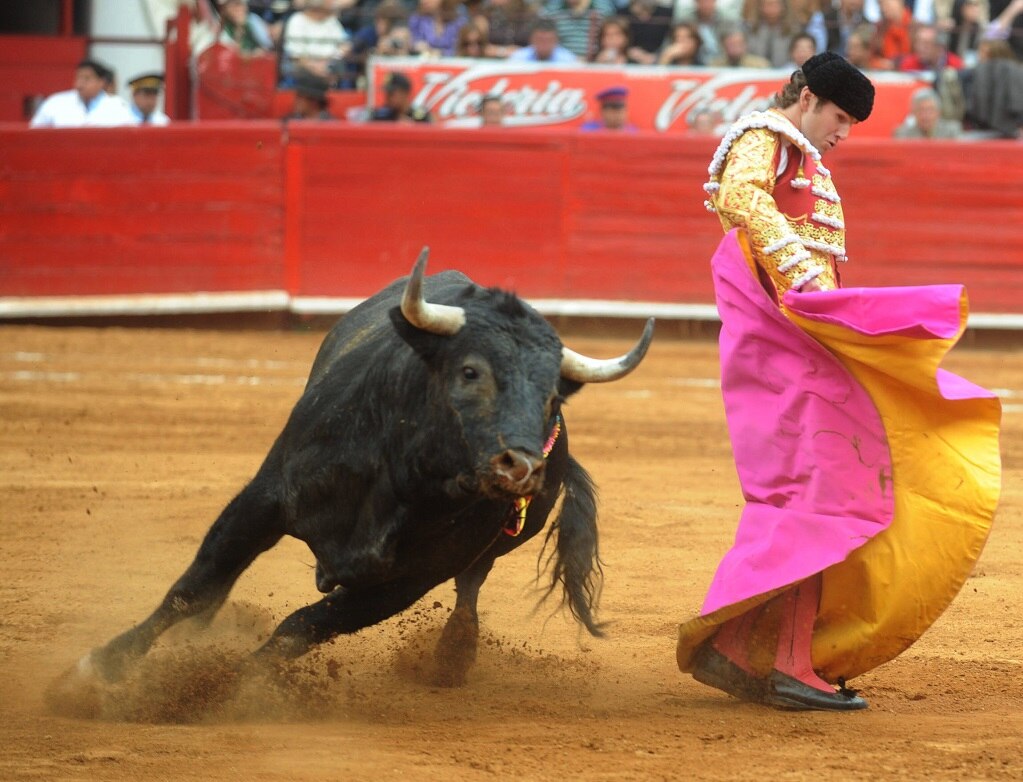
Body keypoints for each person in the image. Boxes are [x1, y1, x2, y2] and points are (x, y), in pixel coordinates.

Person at [679, 51, 1001, 711]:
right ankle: (781, 660)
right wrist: (800, 278)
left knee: (823, 492)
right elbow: (741, 198)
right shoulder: (764, 138)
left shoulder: (796, 152)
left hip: (802, 343)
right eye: (838, 115)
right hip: (787, 344)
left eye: (852, 121)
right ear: (803, 96)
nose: (843, 131)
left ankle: (749, 650)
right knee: (821, 495)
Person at [30, 59, 137, 128]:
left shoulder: (118, 106)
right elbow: (35, 132)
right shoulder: (56, 102)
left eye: (86, 79)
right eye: (78, 78)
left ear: (101, 82)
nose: (80, 83)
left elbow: (129, 136)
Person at [281, 0, 352, 86]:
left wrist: (328, 63)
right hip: (305, 67)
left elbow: (344, 46)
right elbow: (295, 55)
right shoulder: (297, 20)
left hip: (329, 65)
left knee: (341, 69)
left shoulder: (331, 21)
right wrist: (314, 67)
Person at [541, 0, 617, 60]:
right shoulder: (552, 11)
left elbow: (611, 37)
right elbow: (544, 38)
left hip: (593, 63)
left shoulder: (603, 10)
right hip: (561, 63)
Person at [898, 23, 966, 69]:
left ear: (939, 47)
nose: (920, 48)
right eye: (917, 42)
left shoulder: (956, 65)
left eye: (926, 44)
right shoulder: (908, 65)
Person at [508, 17, 579, 60]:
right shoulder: (518, 58)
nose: (544, 45)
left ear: (556, 41)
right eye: (540, 40)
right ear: (531, 40)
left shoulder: (568, 61)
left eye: (548, 40)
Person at [708, 24, 772, 65]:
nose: (735, 48)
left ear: (745, 45)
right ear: (723, 46)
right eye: (731, 44)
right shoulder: (714, 65)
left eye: (739, 44)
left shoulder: (760, 65)